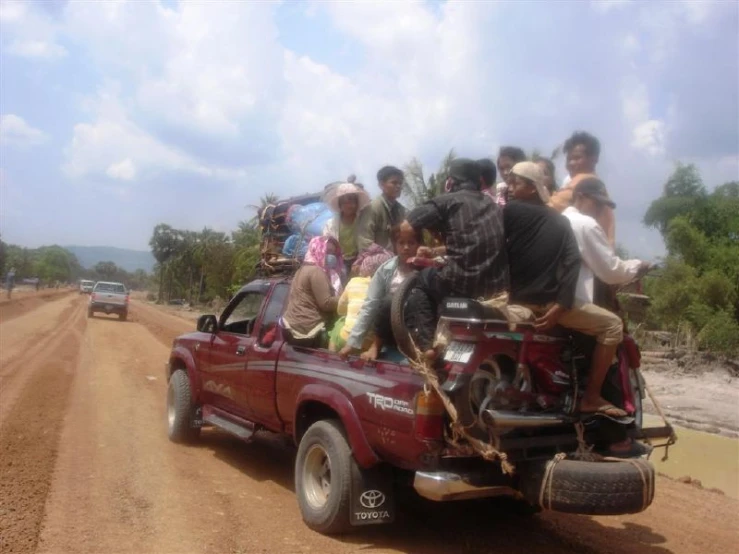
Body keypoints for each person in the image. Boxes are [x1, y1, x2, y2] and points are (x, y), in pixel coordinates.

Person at [560, 177, 650, 418]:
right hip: (568, 303)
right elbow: (611, 271)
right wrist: (638, 265)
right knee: (613, 326)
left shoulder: (557, 219)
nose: (600, 209)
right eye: (596, 203)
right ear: (580, 197)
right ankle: (591, 397)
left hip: (543, 298)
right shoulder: (584, 224)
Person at [405, 158, 509, 356]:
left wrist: (433, 232)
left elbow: (409, 223)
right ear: (478, 181)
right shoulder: (493, 205)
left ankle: (426, 347)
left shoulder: (448, 200)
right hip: (494, 288)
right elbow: (471, 241)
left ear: (450, 181)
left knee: (421, 282)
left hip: (460, 283)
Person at [338, 223, 422, 361]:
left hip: (416, 326)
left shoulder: (425, 269)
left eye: (411, 243)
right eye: (401, 243)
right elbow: (370, 305)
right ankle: (375, 346)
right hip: (390, 327)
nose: (406, 247)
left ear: (418, 245)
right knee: (388, 301)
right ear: (395, 245)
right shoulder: (386, 270)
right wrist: (352, 342)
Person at [550, 131, 615, 245]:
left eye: (577, 158)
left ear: (594, 160)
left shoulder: (583, 181)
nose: (571, 163)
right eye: (569, 159)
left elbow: (550, 206)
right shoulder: (596, 184)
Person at [329, 244, 394, 352]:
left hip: (347, 340)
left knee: (339, 322)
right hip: (371, 344)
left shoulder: (354, 282)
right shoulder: (389, 288)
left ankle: (332, 356)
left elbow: (340, 310)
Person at [281, 237, 343, 347]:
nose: (331, 256)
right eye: (327, 252)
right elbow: (326, 303)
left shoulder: (302, 269)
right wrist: (347, 299)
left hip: (292, 326)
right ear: (318, 249)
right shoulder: (316, 271)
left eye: (333, 253)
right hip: (309, 329)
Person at [323, 181, 372, 274]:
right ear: (340, 205)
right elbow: (326, 245)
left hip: (359, 259)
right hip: (340, 261)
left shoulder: (362, 221)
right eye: (347, 202)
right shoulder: (331, 225)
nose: (352, 205)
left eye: (354, 201)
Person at [357, 165, 406, 252]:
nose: (398, 186)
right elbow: (365, 242)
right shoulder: (372, 207)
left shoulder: (402, 210)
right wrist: (383, 256)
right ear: (381, 185)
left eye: (400, 183)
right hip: (377, 261)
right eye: (394, 183)